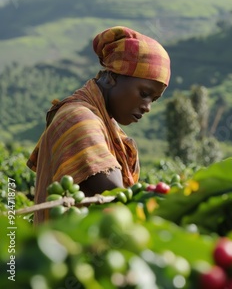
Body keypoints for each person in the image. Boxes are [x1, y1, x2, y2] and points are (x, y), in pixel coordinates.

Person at [27, 26, 171, 224]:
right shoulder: (79, 119)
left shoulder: (104, 123)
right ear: (112, 78)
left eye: (153, 100)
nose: (147, 107)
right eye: (144, 94)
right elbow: (116, 191)